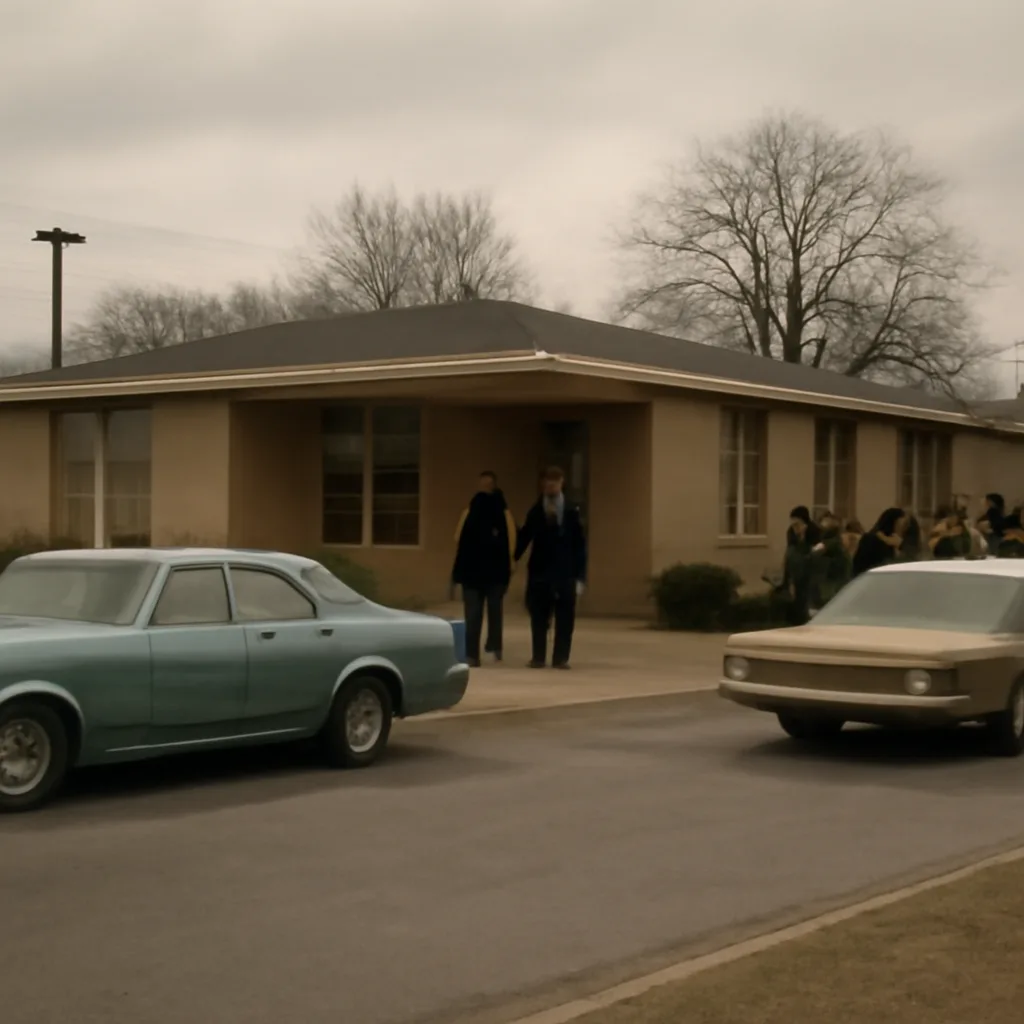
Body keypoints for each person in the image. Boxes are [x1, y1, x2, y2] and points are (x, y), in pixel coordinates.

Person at [515, 466, 587, 669]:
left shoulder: (572, 510)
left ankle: (561, 658)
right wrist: (512, 558)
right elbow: (524, 538)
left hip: (565, 572)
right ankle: (538, 656)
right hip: (540, 571)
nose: (550, 485)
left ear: (562, 482)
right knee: (538, 615)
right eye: (547, 482)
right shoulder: (536, 510)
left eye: (554, 482)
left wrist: (580, 577)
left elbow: (580, 545)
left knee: (565, 617)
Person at [452, 471, 517, 667]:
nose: (484, 487)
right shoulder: (501, 512)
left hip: (483, 571)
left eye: (486, 484)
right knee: (485, 611)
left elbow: (458, 537)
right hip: (484, 572)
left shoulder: (474, 510)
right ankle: (484, 650)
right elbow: (511, 541)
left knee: (480, 612)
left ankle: (481, 651)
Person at [782, 506, 820, 625]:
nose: (795, 528)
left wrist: (804, 538)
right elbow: (790, 555)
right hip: (796, 576)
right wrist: (788, 581)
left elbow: (814, 557)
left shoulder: (815, 533)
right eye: (792, 525)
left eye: (797, 524)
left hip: (811, 579)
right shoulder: (791, 534)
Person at [851, 507, 907, 577]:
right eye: (899, 525)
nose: (901, 528)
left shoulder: (898, 541)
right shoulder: (871, 539)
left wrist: (900, 545)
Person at [811, 511, 850, 609]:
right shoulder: (833, 540)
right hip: (829, 581)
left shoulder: (832, 542)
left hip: (829, 581)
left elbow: (815, 553)